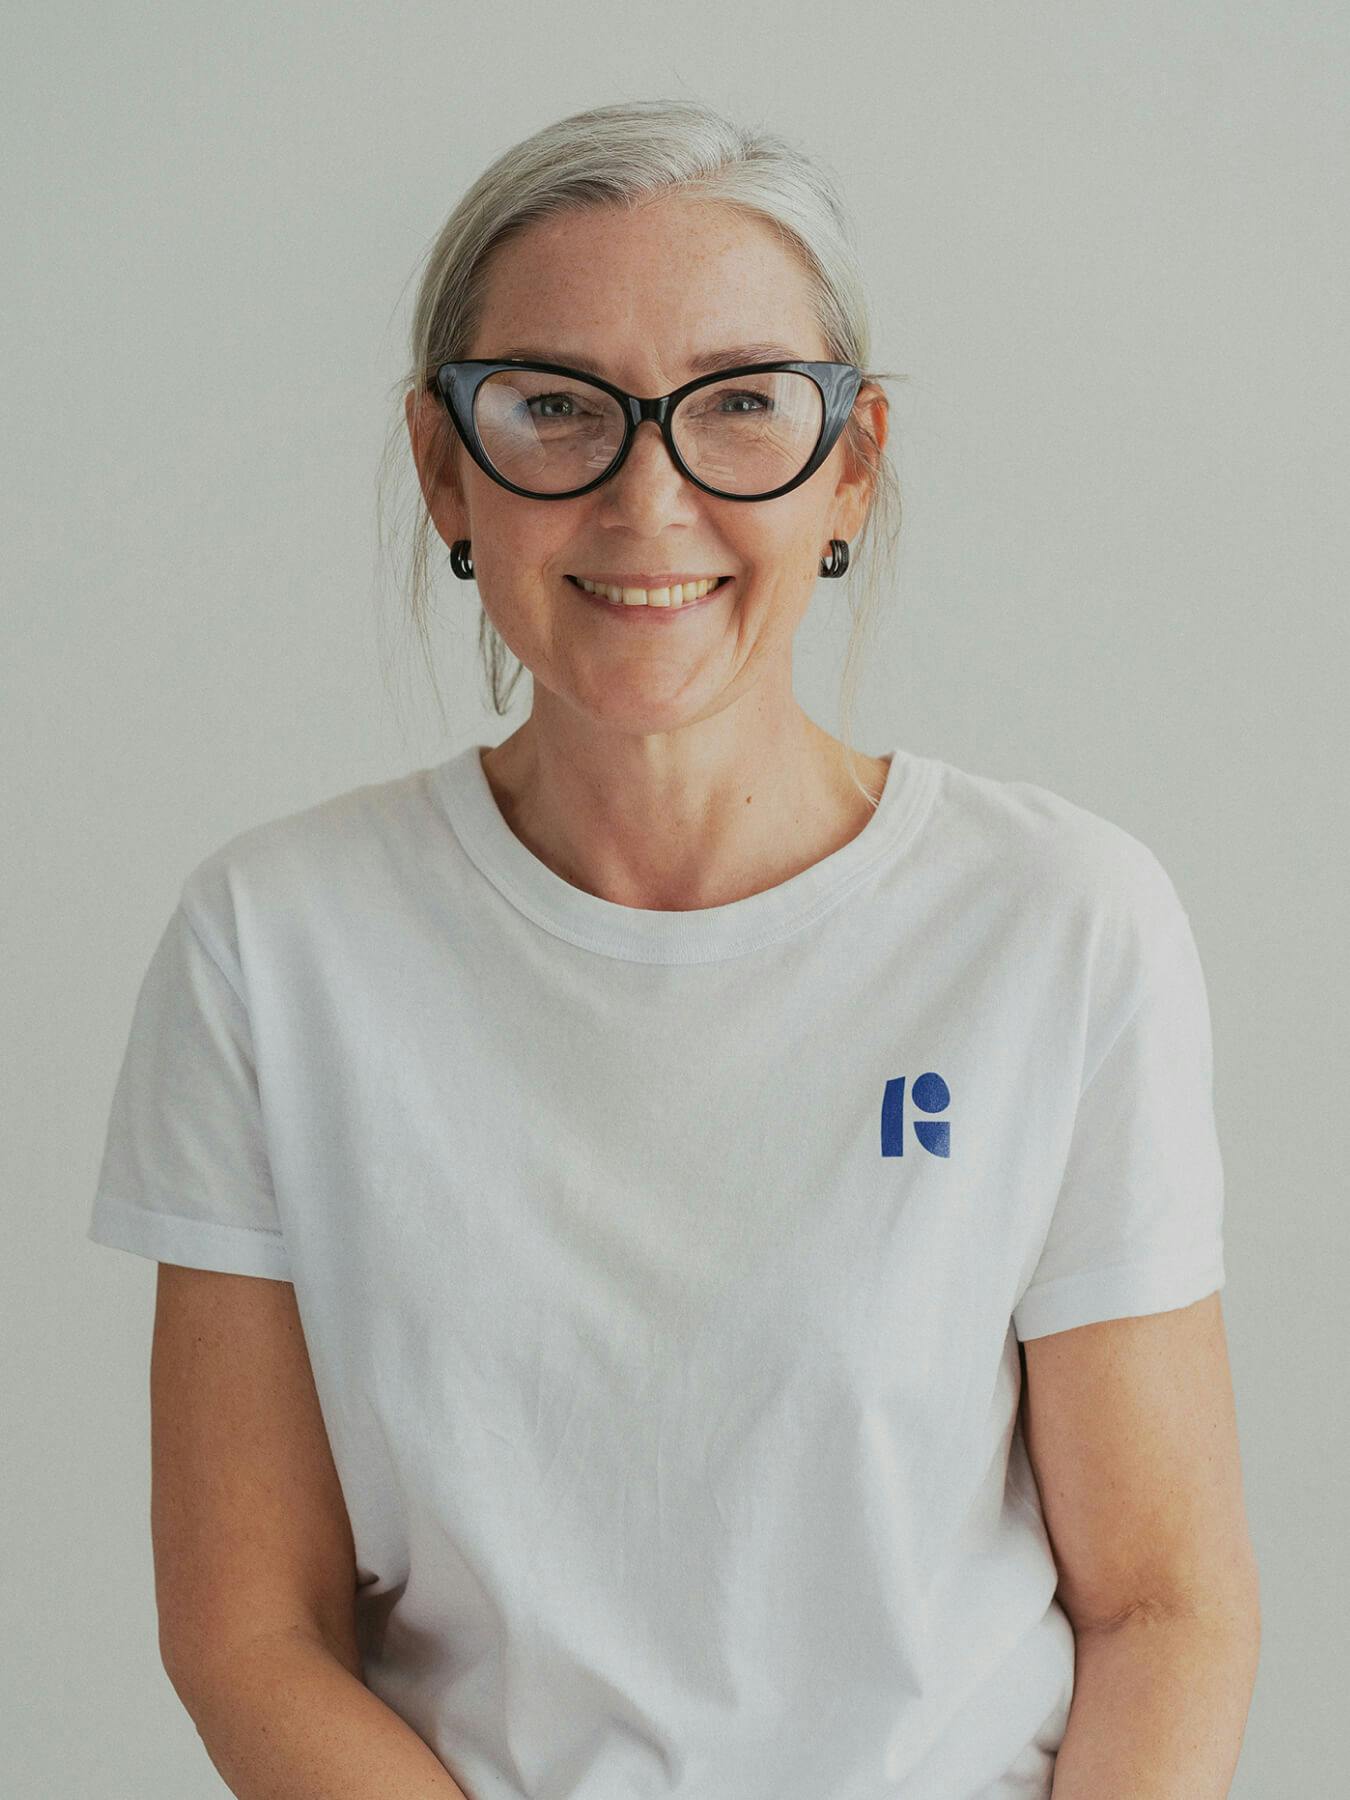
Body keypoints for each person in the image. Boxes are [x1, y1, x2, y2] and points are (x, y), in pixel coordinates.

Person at [87, 100, 1260, 1799]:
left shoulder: (1059, 924)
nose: (650, 498)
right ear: (444, 468)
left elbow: (1162, 1608)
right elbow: (249, 1629)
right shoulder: (272, 949)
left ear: (848, 465)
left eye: (738, 409)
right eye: (556, 409)